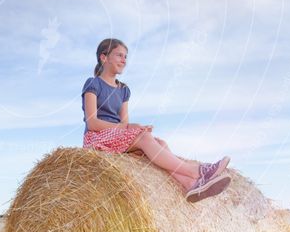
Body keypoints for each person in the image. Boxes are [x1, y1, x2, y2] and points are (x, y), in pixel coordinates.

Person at [81, 37, 231, 200]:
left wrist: (132, 127)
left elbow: (124, 123)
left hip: (116, 138)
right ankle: (196, 171)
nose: (124, 60)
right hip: (96, 138)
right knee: (144, 138)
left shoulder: (123, 90)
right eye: (119, 55)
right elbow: (92, 123)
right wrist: (130, 128)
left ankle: (190, 185)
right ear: (104, 57)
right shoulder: (93, 84)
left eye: (126, 56)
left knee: (161, 144)